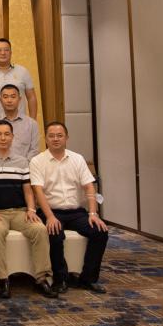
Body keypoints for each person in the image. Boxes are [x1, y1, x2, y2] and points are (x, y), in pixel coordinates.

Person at [0, 120, 58, 299]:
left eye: (7, 134)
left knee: (39, 229)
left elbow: (28, 190)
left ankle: (41, 278)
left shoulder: (22, 162)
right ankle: (3, 279)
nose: (3, 138)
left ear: (12, 137)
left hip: (20, 212)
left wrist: (31, 210)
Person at [30, 122, 109, 294]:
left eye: (60, 135)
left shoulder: (77, 159)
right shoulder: (37, 161)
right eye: (51, 136)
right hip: (51, 211)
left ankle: (87, 279)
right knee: (54, 234)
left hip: (76, 212)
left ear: (66, 138)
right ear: (46, 139)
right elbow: (38, 191)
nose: (56, 139)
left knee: (100, 231)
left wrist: (93, 213)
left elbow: (89, 186)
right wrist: (50, 217)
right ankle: (61, 279)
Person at [0, 39, 38, 126]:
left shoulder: (23, 72)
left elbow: (31, 97)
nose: (3, 53)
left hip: (20, 125)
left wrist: (32, 122)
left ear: (11, 52)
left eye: (6, 50)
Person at [0, 85, 41, 160]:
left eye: (13, 97)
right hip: (0, 165)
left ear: (19, 99)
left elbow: (34, 150)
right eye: (5, 97)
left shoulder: (32, 124)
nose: (9, 100)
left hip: (25, 165)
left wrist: (22, 164)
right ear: (0, 100)